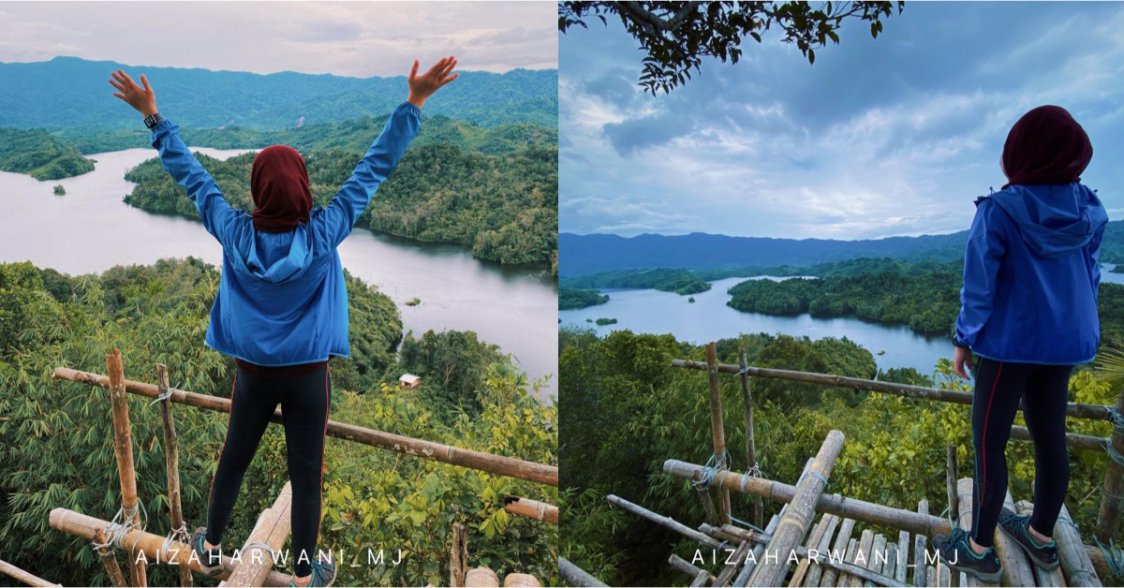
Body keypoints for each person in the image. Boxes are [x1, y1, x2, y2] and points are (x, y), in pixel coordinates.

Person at [109, 56, 459, 587]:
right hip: (308, 378)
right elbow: (373, 169)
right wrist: (413, 104)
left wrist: (154, 118)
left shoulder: (235, 233)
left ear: (256, 190)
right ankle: (303, 571)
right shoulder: (322, 234)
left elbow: (192, 177)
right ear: (303, 187)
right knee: (306, 475)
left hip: (252, 373)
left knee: (234, 458)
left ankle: (210, 546)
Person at [934, 105, 1107, 582]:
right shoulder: (1088, 208)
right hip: (1065, 343)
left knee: (989, 443)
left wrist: (964, 339)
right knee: (1051, 437)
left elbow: (979, 287)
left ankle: (978, 548)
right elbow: (1089, 276)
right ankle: (1041, 536)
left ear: (1018, 152)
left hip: (1008, 348)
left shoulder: (999, 210)